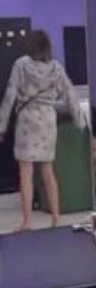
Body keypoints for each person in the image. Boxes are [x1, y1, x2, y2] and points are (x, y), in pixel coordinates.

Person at [0, 30, 83, 231]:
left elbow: (10, 95)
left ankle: (27, 221)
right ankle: (56, 218)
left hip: (27, 119)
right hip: (47, 119)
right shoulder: (55, 68)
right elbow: (70, 93)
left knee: (26, 172)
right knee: (48, 169)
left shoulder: (21, 65)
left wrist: (1, 125)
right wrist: (79, 120)